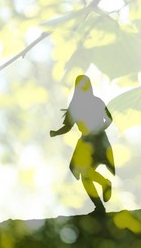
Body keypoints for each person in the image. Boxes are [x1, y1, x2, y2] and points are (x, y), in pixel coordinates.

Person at [50, 75, 115, 213]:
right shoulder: (76, 105)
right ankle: (99, 206)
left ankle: (104, 185)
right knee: (82, 173)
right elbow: (68, 126)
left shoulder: (96, 102)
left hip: (97, 140)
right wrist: (56, 133)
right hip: (86, 140)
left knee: (80, 170)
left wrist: (98, 129)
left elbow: (109, 119)